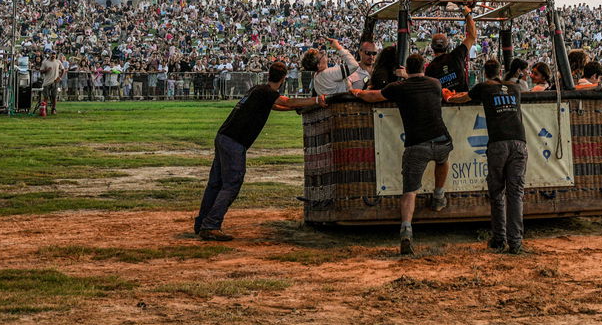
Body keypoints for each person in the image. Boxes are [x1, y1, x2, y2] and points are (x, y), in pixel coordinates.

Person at [194, 62, 322, 240]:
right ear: (284, 78)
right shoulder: (268, 93)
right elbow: (287, 101)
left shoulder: (258, 90)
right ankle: (211, 224)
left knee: (215, 183)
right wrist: (316, 100)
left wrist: (295, 108)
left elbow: (278, 106)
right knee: (231, 185)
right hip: (235, 142)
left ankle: (201, 223)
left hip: (224, 136)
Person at [353, 53, 452, 255]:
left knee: (410, 191)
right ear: (423, 66)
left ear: (406, 68)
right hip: (441, 139)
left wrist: (356, 93)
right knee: (443, 159)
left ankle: (406, 229)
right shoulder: (434, 83)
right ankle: (439, 195)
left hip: (417, 144)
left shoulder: (399, 87)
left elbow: (373, 96)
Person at [449, 59, 526, 254]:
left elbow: (464, 98)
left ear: (485, 72)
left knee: (497, 192)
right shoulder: (514, 88)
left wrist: (449, 98)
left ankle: (499, 238)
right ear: (500, 71)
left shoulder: (484, 87)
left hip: (498, 143)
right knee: (515, 193)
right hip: (519, 141)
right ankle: (515, 242)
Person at [425, 4, 476, 92]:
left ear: (432, 48)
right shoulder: (456, 55)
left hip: (443, 104)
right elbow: (472, 36)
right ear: (448, 46)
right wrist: (467, 14)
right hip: (463, 102)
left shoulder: (430, 68)